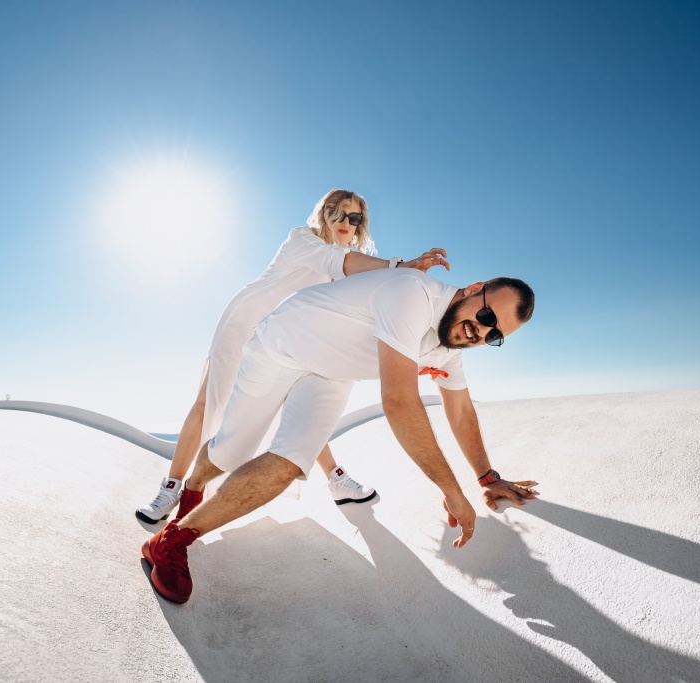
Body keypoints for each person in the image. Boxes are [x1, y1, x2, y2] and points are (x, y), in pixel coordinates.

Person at [141, 266, 538, 603]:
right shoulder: (414, 293)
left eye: (494, 336)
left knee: (291, 463)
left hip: (331, 374)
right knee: (231, 453)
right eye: (487, 316)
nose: (481, 332)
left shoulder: (450, 349)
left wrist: (487, 478)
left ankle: (170, 541)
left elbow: (462, 411)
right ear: (473, 290)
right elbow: (399, 402)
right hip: (280, 346)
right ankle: (192, 489)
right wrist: (451, 491)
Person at [136, 189, 450, 524]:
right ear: (324, 214)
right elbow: (339, 262)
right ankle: (172, 488)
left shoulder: (353, 266)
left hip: (288, 340)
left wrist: (416, 357)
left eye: (354, 217)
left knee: (304, 405)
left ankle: (336, 478)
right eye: (337, 212)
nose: (345, 222)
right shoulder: (303, 240)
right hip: (246, 323)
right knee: (210, 401)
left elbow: (371, 311)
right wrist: (402, 266)